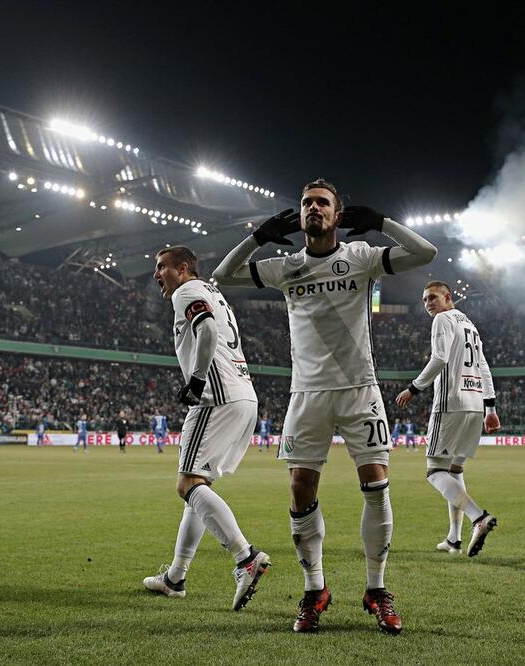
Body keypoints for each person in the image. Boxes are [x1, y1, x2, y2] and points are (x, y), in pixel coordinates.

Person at [213, 178, 437, 634]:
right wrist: (257, 237)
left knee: (376, 484)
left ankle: (376, 589)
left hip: (360, 389)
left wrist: (382, 223)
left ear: (338, 215)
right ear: (299, 216)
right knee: (300, 488)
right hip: (307, 393)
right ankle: (315, 589)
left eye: (322, 203)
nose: (313, 208)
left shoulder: (361, 257)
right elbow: (222, 275)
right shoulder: (286, 267)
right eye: (306, 203)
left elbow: (425, 253)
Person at [143, 245, 271, 611]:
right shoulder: (212, 292)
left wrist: (197, 379)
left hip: (216, 396)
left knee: (187, 484)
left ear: (183, 268)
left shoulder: (186, 291)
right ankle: (175, 577)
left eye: (162, 266)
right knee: (198, 486)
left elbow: (208, 329)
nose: (157, 274)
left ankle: (246, 557)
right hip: (243, 395)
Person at [395, 281, 500, 557]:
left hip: (451, 402)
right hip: (475, 403)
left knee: (434, 472)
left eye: (432, 297)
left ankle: (479, 517)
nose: (428, 303)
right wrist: (490, 407)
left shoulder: (443, 319)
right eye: (424, 300)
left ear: (447, 297)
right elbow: (483, 366)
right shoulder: (470, 325)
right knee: (455, 470)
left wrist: (413, 388)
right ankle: (454, 539)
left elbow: (439, 358)